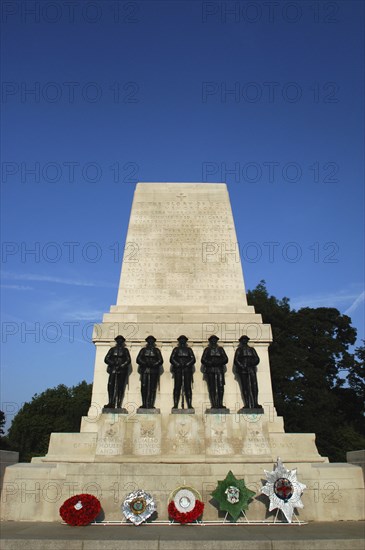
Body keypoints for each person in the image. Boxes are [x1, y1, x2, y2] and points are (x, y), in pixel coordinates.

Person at [233, 335, 262, 409]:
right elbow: (236, 360)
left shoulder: (251, 349)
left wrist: (251, 363)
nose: (244, 341)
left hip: (251, 369)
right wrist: (242, 366)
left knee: (254, 386)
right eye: (243, 340)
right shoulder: (239, 350)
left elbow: (257, 359)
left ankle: (255, 402)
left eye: (245, 340)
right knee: (245, 386)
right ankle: (247, 403)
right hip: (243, 370)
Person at [104, 335, 131, 409]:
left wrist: (122, 365)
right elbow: (106, 359)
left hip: (122, 370)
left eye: (121, 340)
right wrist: (113, 363)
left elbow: (128, 360)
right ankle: (110, 402)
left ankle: (119, 404)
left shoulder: (125, 350)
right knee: (110, 385)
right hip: (113, 369)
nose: (119, 341)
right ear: (116, 341)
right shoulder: (112, 350)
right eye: (118, 340)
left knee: (120, 386)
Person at [201, 335, 228, 409]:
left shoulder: (220, 349)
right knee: (212, 387)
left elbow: (225, 359)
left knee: (220, 387)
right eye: (212, 340)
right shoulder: (207, 349)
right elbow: (203, 359)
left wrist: (218, 362)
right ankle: (214, 404)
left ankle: (220, 403)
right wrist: (210, 362)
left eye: (215, 340)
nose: (213, 341)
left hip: (219, 369)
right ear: (210, 341)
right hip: (210, 370)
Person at [136, 335, 163, 409]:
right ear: (147, 341)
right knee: (144, 386)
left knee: (152, 387)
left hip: (153, 370)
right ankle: (144, 403)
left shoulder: (157, 350)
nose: (150, 342)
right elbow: (138, 359)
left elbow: (160, 360)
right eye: (149, 340)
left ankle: (151, 404)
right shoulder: (143, 350)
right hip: (145, 370)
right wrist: (145, 363)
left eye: (152, 340)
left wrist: (154, 364)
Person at [170, 335, 196, 409]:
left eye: (184, 340)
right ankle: (175, 404)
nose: (182, 341)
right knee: (177, 387)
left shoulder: (189, 350)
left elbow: (193, 359)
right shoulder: (176, 349)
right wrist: (177, 364)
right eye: (181, 340)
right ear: (179, 341)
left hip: (187, 370)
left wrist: (187, 364)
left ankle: (189, 404)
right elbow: (172, 359)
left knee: (188, 387)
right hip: (178, 370)